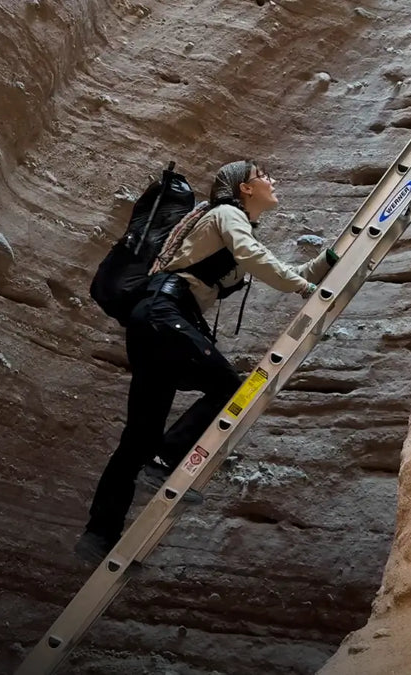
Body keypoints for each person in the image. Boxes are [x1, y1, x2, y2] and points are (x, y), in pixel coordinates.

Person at [75, 160, 340, 563]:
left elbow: (278, 268)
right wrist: (304, 288)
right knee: (230, 388)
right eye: (262, 176)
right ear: (244, 189)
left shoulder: (228, 225)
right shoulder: (227, 215)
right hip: (166, 314)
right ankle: (164, 459)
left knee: (139, 436)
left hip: (155, 323)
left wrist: (325, 263)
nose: (271, 180)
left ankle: (98, 535)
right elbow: (256, 259)